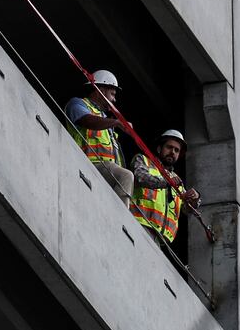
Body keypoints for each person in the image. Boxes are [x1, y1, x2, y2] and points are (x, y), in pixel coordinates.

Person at [64, 70, 133, 200]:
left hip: (104, 171)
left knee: (123, 178)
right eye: (112, 94)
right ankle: (120, 219)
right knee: (125, 176)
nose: (114, 99)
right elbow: (86, 120)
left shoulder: (105, 120)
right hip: (87, 164)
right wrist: (116, 122)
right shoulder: (78, 104)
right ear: (100, 90)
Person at [129, 129, 200, 245]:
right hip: (139, 224)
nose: (173, 152)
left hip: (161, 238)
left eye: (176, 150)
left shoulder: (177, 180)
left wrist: (194, 198)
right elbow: (141, 177)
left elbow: (186, 209)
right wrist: (167, 182)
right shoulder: (143, 160)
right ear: (159, 148)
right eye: (169, 147)